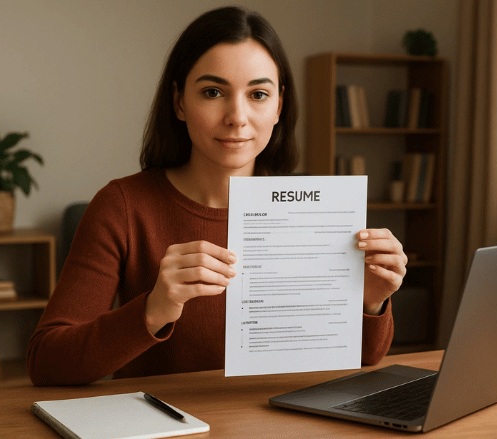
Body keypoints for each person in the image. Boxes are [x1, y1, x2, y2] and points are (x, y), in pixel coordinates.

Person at [26, 6, 407, 386]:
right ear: (179, 102)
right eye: (213, 92)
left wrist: (370, 301)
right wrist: (153, 310)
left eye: (258, 94)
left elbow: (366, 357)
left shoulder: (316, 210)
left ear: (279, 105)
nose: (237, 117)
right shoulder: (122, 206)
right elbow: (47, 361)